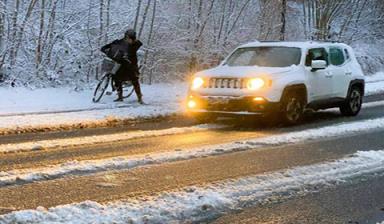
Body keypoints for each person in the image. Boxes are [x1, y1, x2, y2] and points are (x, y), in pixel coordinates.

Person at [101, 29, 143, 103]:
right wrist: (105, 49)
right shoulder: (120, 42)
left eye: (130, 38)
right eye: (127, 37)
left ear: (133, 39)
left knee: (134, 80)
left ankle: (139, 97)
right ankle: (120, 97)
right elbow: (113, 44)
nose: (128, 39)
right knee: (117, 78)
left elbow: (138, 45)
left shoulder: (135, 44)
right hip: (122, 64)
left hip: (131, 65)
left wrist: (133, 43)